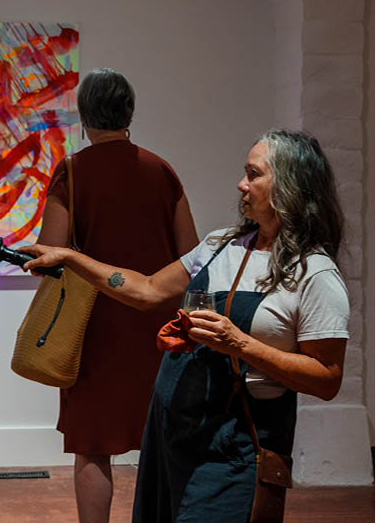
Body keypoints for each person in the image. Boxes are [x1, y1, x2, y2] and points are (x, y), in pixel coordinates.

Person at [22, 129, 349, 521]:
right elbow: (145, 290)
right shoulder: (221, 246)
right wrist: (71, 259)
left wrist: (240, 344)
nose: (241, 184)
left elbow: (327, 378)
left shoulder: (315, 274)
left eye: (254, 174)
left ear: (291, 186)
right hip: (173, 440)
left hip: (234, 450)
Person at [34, 68, 199, 523]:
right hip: (156, 323)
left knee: (92, 446)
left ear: (84, 116)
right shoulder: (161, 170)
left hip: (94, 327)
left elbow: (52, 254)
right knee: (160, 439)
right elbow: (192, 254)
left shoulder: (71, 172)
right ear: (129, 112)